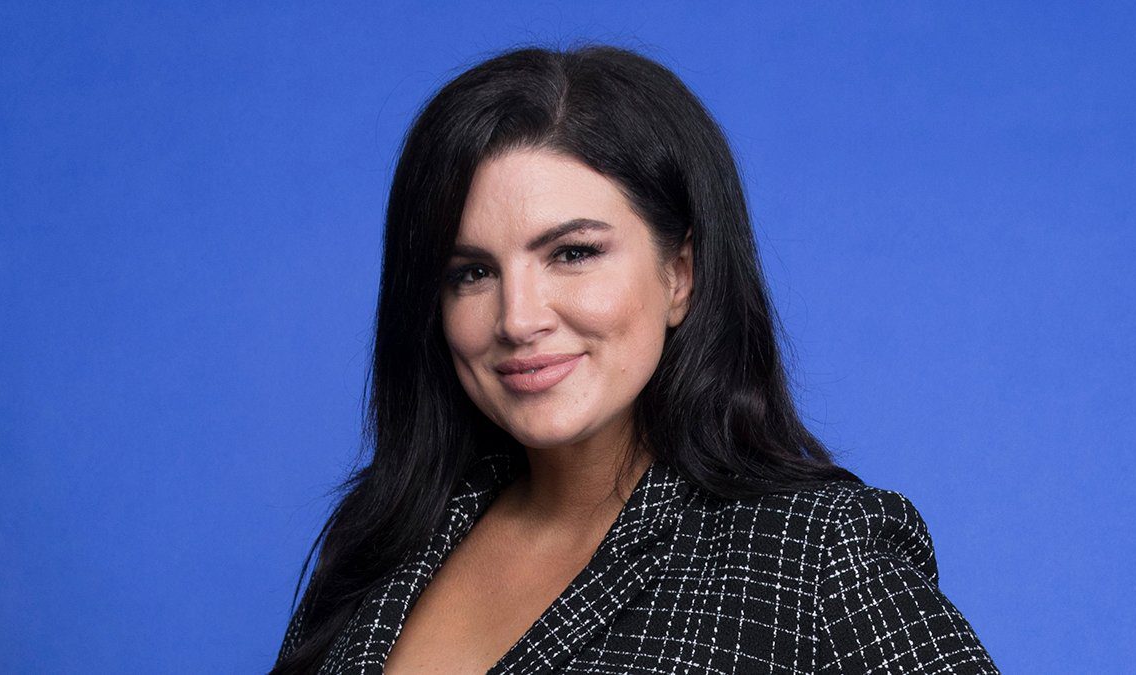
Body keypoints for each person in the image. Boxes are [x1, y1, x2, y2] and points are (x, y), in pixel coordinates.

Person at [271, 43, 998, 674]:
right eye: (472, 272)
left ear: (679, 275)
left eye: (572, 253)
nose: (517, 318)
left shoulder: (814, 556)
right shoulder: (385, 544)